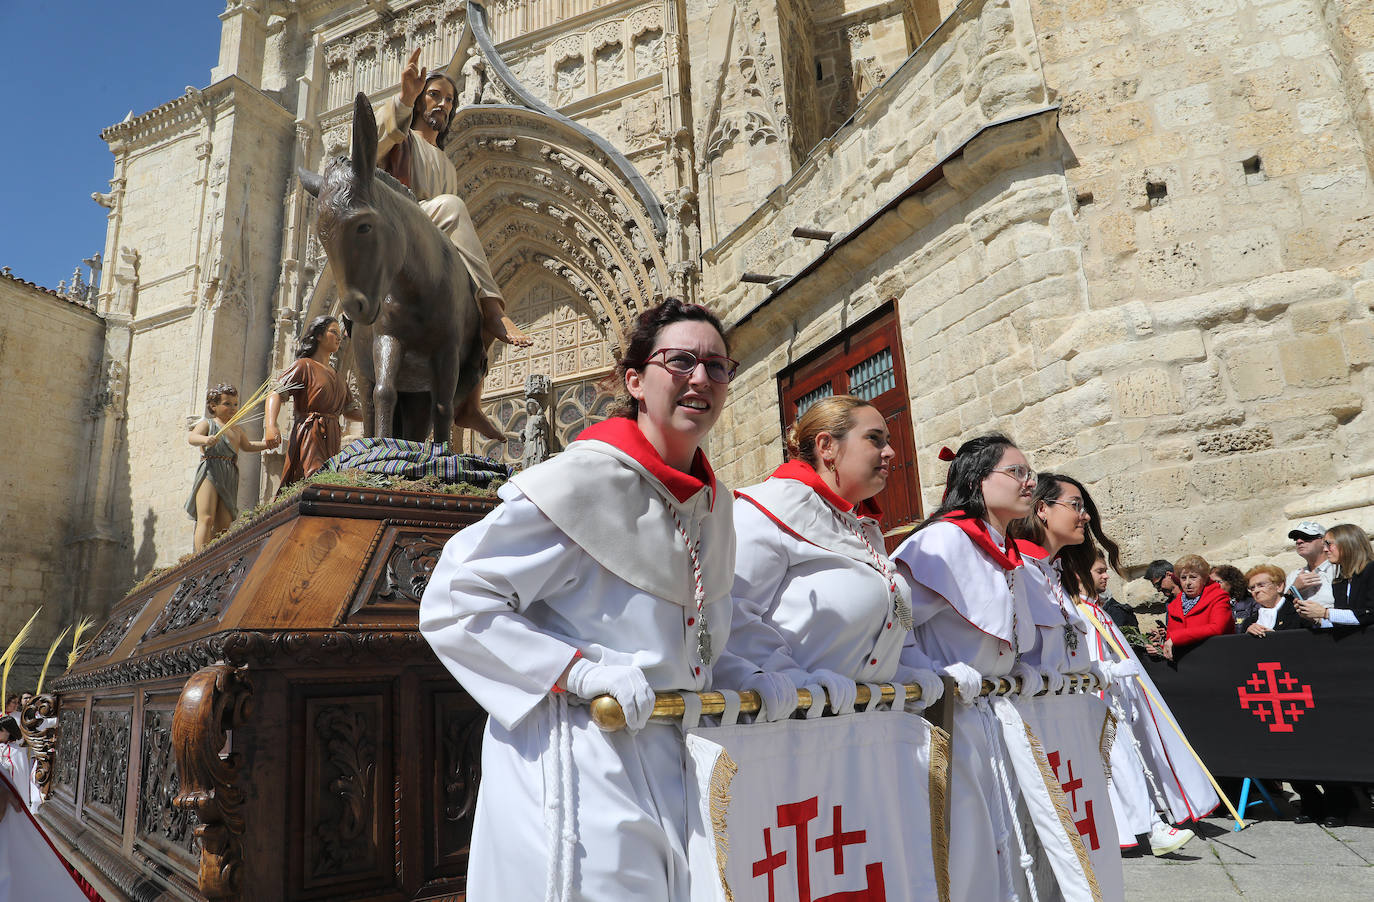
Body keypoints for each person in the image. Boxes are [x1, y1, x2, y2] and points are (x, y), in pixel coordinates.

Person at [418, 299, 749, 899]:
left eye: (717, 365)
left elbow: (698, 630)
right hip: (581, 763)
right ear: (635, 381)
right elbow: (455, 601)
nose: (701, 378)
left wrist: (748, 674)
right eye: (680, 361)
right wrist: (577, 672)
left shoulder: (716, 504)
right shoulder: (580, 481)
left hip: (680, 756)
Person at [891, 435, 1083, 901]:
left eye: (1029, 473)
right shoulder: (942, 541)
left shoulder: (1006, 549)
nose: (1030, 482)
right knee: (969, 844)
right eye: (1016, 472)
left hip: (995, 712)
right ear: (978, 480)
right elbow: (891, 625)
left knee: (1011, 836)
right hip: (946, 718)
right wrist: (931, 673)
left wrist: (1020, 670)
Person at [1013, 474, 1209, 856]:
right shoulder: (1021, 567)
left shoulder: (1050, 571)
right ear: (1042, 509)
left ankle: (1146, 826)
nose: (1085, 516)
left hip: (1072, 702)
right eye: (1075, 505)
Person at [724, 395, 941, 721]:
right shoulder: (767, 509)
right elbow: (730, 615)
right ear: (827, 446)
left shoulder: (863, 528)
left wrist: (897, 672)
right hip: (791, 727)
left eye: (889, 441)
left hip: (870, 726)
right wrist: (793, 682)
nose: (890, 452)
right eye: (874, 439)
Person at [375, 47, 534, 440]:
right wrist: (404, 98)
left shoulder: (444, 161)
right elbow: (372, 146)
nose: (443, 104)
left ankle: (469, 402)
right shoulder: (401, 136)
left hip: (430, 236)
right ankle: (496, 309)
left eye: (449, 100)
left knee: (466, 295)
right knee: (452, 205)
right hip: (402, 220)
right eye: (435, 95)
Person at [264, 316, 363, 493]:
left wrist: (379, 414)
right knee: (313, 477)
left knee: (329, 480)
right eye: (334, 332)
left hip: (332, 434)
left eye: (340, 334)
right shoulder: (304, 366)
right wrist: (271, 425)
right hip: (311, 432)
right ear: (318, 335)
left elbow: (350, 411)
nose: (339, 338)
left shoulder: (338, 376)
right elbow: (276, 392)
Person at [185, 383, 279, 551]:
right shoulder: (208, 424)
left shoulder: (236, 429)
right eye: (227, 404)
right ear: (213, 406)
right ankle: (199, 557)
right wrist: (206, 440)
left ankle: (217, 555)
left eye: (235, 404)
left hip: (229, 472)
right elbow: (192, 438)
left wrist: (267, 445)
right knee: (206, 518)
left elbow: (248, 446)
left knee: (224, 522)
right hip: (211, 469)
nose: (233, 408)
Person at [1150, 554, 1233, 660]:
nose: (1188, 583)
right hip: (1186, 665)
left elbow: (1217, 628)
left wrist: (1176, 638)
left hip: (1216, 659)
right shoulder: (1174, 605)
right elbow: (1171, 641)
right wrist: (1159, 650)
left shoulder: (1219, 597)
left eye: (1193, 577)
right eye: (1183, 578)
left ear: (1204, 579)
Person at [1294, 524, 1374, 629]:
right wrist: (1314, 618)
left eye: (1329, 544)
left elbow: (1370, 614)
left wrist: (1326, 613)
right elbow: (1344, 623)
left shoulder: (1371, 570)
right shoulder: (1340, 581)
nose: (1325, 550)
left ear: (1347, 544)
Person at [1240, 564, 1306, 636]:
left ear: (1279, 586)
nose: (1256, 590)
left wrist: (1274, 637)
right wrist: (1247, 636)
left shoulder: (1298, 612)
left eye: (1261, 585)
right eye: (1252, 588)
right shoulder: (1249, 622)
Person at [1286, 520, 1336, 610]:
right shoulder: (1293, 576)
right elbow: (1281, 609)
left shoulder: (1338, 570)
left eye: (1306, 537)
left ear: (1323, 541)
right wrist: (1294, 589)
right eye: (1296, 538)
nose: (1299, 541)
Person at [1091, 548, 1139, 632]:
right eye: (1100, 571)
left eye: (1105, 571)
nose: (1106, 576)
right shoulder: (1069, 611)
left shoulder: (1117, 612)